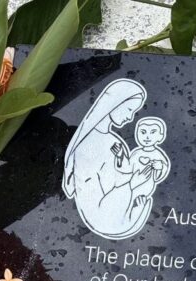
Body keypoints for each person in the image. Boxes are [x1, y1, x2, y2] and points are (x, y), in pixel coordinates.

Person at [62, 79, 157, 240]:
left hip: (119, 208)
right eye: (129, 109)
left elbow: (117, 179)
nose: (130, 117)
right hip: (102, 216)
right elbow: (92, 199)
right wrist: (132, 184)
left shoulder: (115, 142)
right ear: (114, 103)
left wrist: (123, 164)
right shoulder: (87, 143)